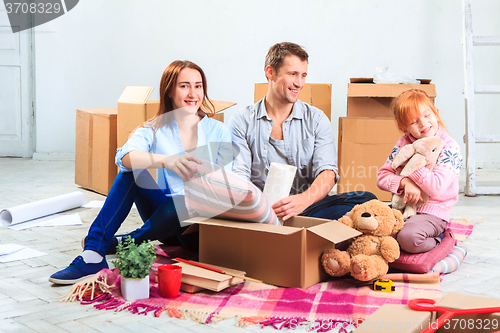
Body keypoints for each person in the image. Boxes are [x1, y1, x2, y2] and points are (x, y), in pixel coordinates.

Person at [49, 60, 232, 284]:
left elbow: (227, 186)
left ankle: (129, 240)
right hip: (163, 221)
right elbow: (124, 158)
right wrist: (167, 161)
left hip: (199, 229)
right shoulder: (155, 128)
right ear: (170, 90)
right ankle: (93, 254)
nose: (193, 93)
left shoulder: (219, 131)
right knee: (131, 172)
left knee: (188, 200)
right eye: (184, 86)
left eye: (198, 85)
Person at [229, 42, 376, 222]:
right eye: (292, 74)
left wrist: (303, 200)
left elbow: (328, 173)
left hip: (305, 209)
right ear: (270, 72)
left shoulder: (316, 119)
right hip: (259, 211)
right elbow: (240, 177)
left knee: (366, 199)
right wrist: (260, 208)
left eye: (303, 75)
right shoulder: (242, 121)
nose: (299, 83)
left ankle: (298, 228)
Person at [377, 89, 462, 253]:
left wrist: (412, 168)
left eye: (427, 115)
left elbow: (436, 187)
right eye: (414, 122)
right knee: (362, 225)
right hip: (401, 208)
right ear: (404, 129)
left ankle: (442, 241)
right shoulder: (404, 143)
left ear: (435, 113)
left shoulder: (450, 147)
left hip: (432, 212)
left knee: (408, 238)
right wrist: (405, 182)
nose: (423, 123)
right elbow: (382, 176)